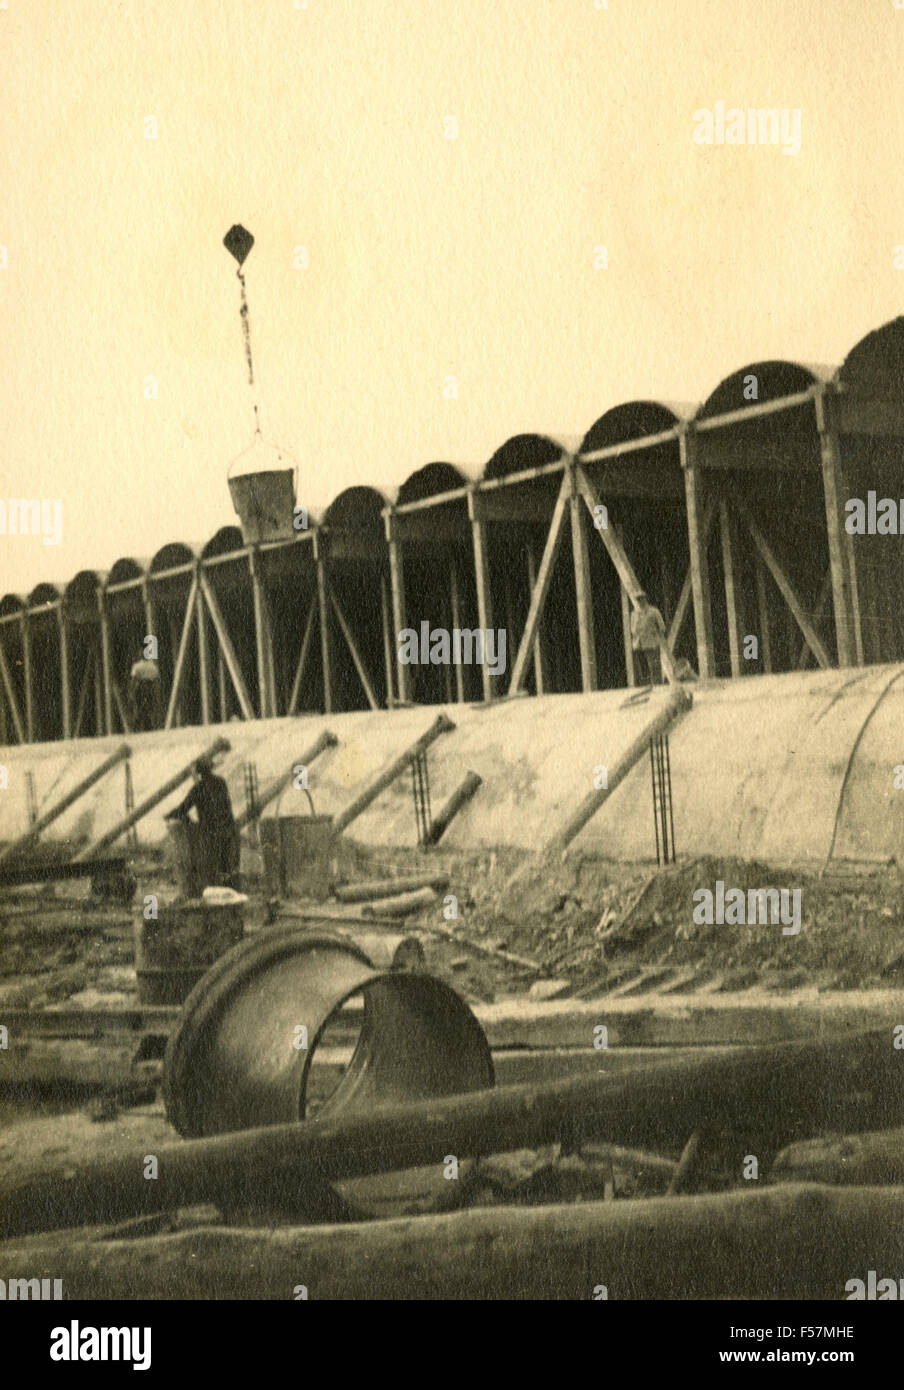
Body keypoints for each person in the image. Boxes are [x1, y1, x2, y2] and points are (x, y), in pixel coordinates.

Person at [164, 757, 239, 888]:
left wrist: (169, 815)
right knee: (227, 866)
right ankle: (231, 892)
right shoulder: (221, 782)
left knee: (211, 869)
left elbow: (183, 808)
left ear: (199, 773)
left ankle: (216, 892)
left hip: (211, 834)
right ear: (210, 769)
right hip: (228, 830)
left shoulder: (198, 789)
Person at [630, 592, 666, 686]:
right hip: (639, 644)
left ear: (645, 599)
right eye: (638, 600)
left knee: (654, 666)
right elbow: (632, 629)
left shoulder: (654, 611)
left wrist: (656, 638)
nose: (640, 602)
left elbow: (662, 627)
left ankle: (658, 686)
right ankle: (646, 685)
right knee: (643, 668)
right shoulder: (634, 614)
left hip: (652, 643)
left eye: (641, 599)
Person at [129, 653, 163, 732]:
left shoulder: (137, 666)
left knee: (138, 708)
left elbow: (133, 679)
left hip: (141, 687)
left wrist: (131, 691)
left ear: (139, 656)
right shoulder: (153, 666)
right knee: (149, 708)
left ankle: (136, 728)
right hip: (150, 688)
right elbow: (157, 680)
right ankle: (148, 727)